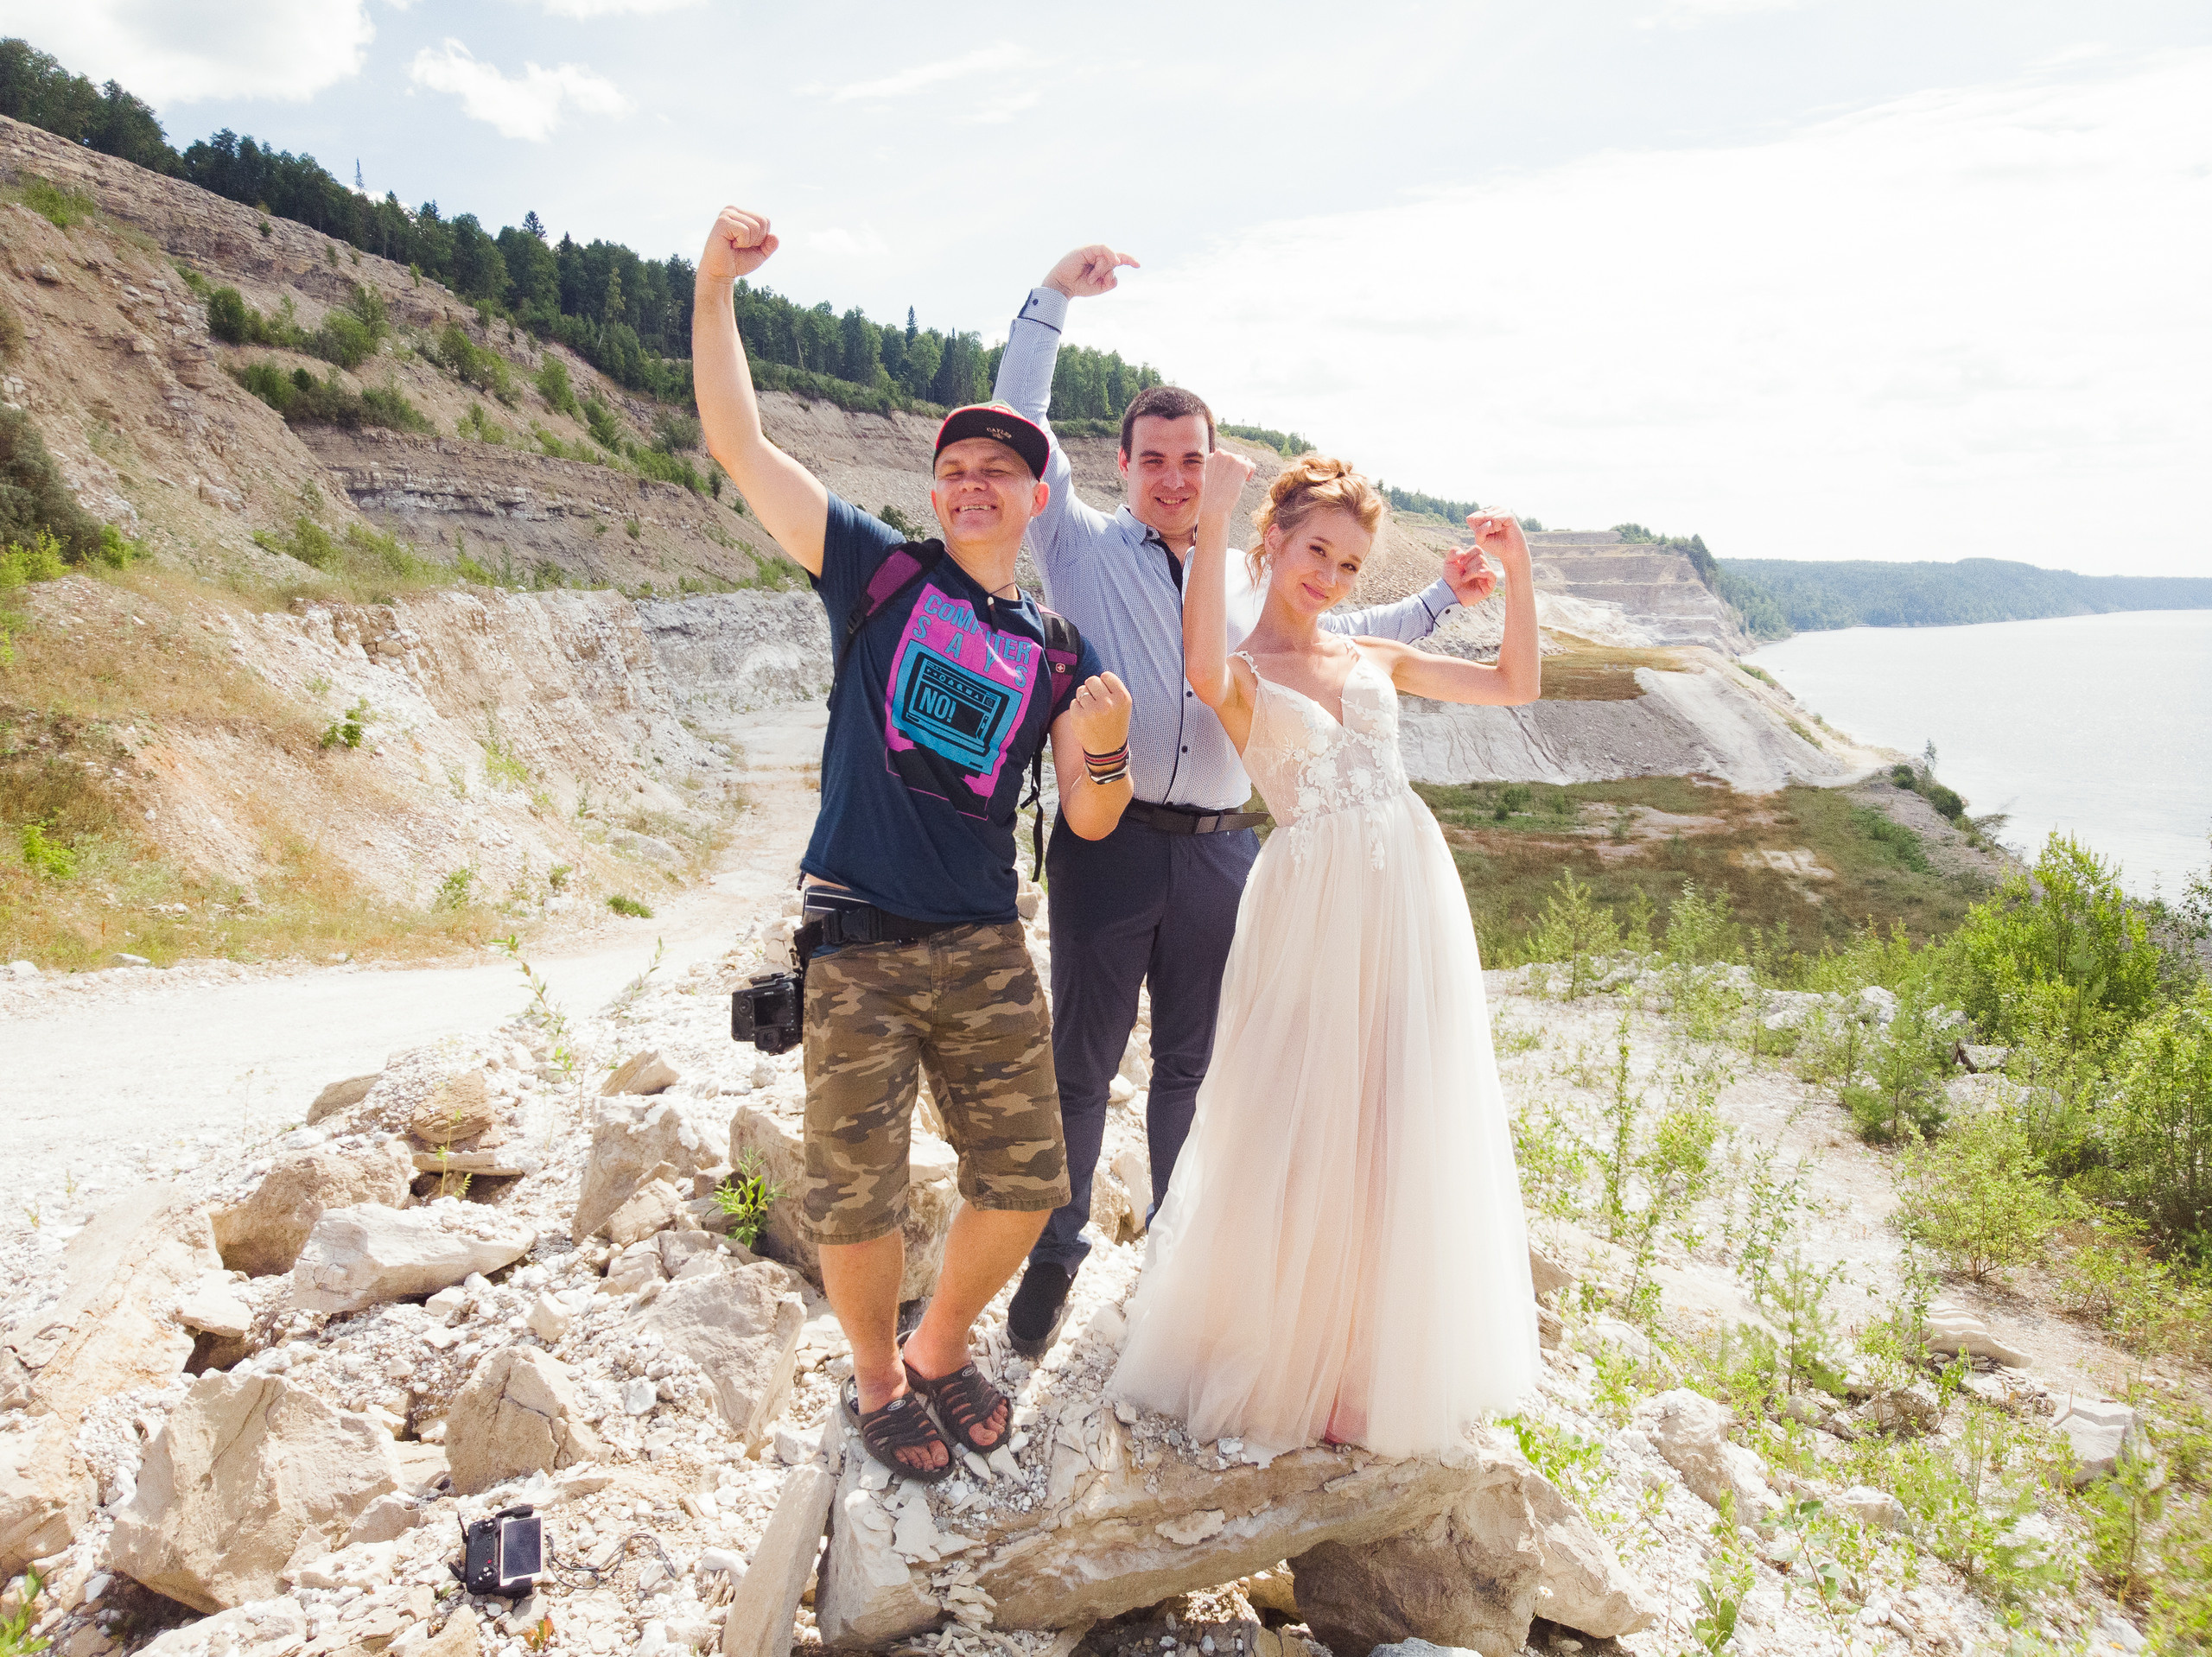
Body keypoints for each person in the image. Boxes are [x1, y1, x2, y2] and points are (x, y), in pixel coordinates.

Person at [991, 246, 1503, 1360]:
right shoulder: (1074, 549)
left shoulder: (1237, 574)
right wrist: (1051, 304)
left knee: (1194, 1070)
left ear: (1214, 468)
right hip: (1108, 842)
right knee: (1081, 1063)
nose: (1175, 477)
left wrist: (1444, 598)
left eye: (1193, 459)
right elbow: (1018, 425)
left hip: (1226, 853)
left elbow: (1333, 647)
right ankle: (1058, 1249)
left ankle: (1180, 1268)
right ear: (1119, 467)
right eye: (1155, 460)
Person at [692, 207, 1136, 1480]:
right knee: (858, 1190)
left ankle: (942, 1348)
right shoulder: (877, 574)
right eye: (955, 470)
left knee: (1027, 1176)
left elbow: (1091, 816)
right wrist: (717, 283)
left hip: (983, 939)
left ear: (1034, 499)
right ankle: (877, 1377)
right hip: (858, 938)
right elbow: (739, 440)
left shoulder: (1055, 652)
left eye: (998, 472)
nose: (971, 483)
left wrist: (1100, 745)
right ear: (936, 491)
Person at [1109, 448, 1543, 1458]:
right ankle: (1280, 1351)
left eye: (1352, 566)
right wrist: (1211, 513)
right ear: (1275, 542)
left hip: (1408, 896)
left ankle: (1363, 1365)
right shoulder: (1242, 672)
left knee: (1395, 1117)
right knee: (1296, 1117)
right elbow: (1201, 667)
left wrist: (1518, 573)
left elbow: (1516, 683)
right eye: (1317, 552)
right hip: (1310, 904)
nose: (1332, 579)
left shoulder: (1374, 657)